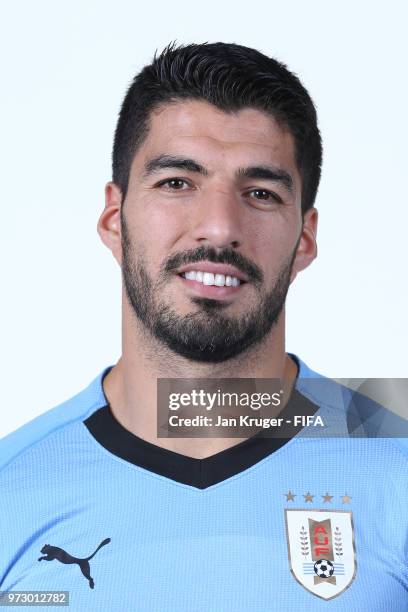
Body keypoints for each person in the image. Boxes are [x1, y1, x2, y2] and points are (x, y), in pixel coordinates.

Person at [0, 42, 406, 611]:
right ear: (115, 219)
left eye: (260, 194)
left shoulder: (397, 464)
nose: (218, 228)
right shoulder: (11, 486)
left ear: (305, 239)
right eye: (176, 183)